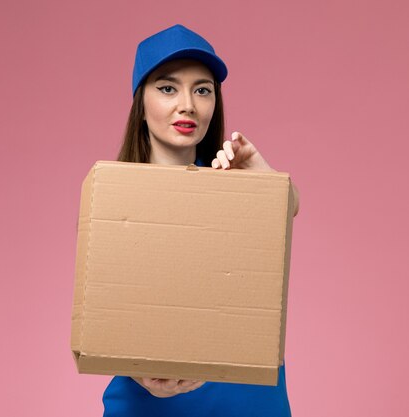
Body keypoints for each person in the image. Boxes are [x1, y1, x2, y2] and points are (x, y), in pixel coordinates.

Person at [103, 24, 299, 417]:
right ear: (141, 102)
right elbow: (102, 311)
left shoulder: (231, 185)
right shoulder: (112, 196)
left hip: (248, 398)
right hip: (150, 403)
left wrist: (263, 177)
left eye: (202, 89)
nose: (188, 104)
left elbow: (290, 209)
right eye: (168, 88)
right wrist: (141, 373)